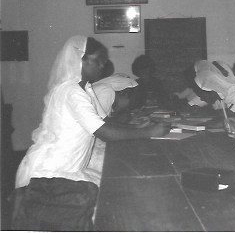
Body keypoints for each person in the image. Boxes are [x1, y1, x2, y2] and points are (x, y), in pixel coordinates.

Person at [12, 36, 170, 231]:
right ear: (81, 60)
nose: (103, 65)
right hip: (48, 174)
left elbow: (102, 123)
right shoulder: (71, 91)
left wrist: (138, 128)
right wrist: (148, 132)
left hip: (64, 169)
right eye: (98, 60)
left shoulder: (83, 89)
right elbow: (103, 131)